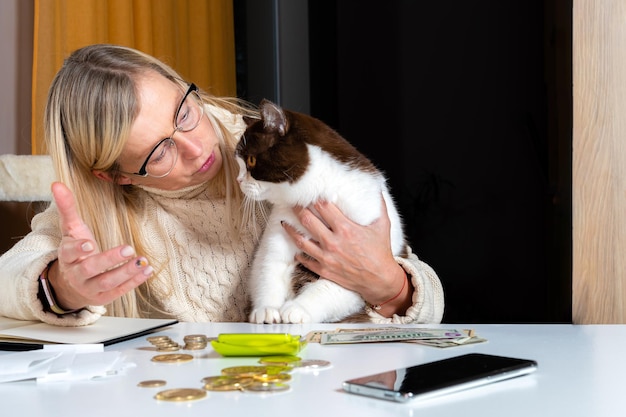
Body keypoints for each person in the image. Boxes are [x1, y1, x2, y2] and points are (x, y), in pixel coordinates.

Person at [0, 44, 444, 326]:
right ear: (115, 175)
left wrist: (391, 286)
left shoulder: (272, 151)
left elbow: (431, 311)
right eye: (159, 153)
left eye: (184, 112)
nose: (196, 148)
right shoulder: (98, 209)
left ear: (181, 85)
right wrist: (61, 286)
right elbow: (9, 281)